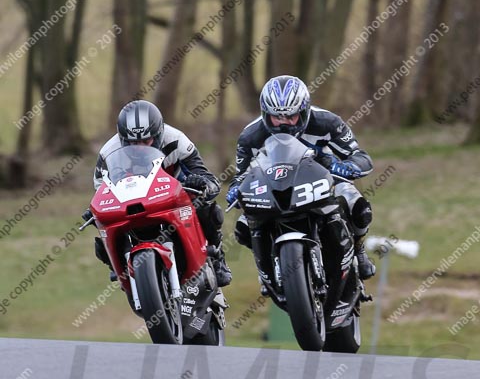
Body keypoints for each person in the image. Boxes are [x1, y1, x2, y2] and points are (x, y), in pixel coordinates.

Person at [226, 75, 375, 280]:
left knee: (359, 207)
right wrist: (235, 189)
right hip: (275, 188)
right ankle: (268, 268)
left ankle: (358, 249)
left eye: (291, 117)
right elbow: (240, 176)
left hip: (323, 180)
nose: (283, 124)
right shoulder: (249, 136)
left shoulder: (328, 122)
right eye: (276, 118)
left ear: (304, 110)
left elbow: (360, 156)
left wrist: (346, 167)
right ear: (265, 114)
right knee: (243, 227)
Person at [91, 99, 232, 287]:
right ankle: (118, 267)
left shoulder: (176, 140)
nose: (140, 146)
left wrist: (201, 183)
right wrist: (96, 211)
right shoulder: (108, 153)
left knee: (207, 208)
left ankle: (216, 257)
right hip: (131, 203)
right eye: (133, 142)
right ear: (123, 139)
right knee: (103, 234)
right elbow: (101, 190)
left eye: (146, 140)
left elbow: (205, 176)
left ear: (158, 134)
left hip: (174, 198)